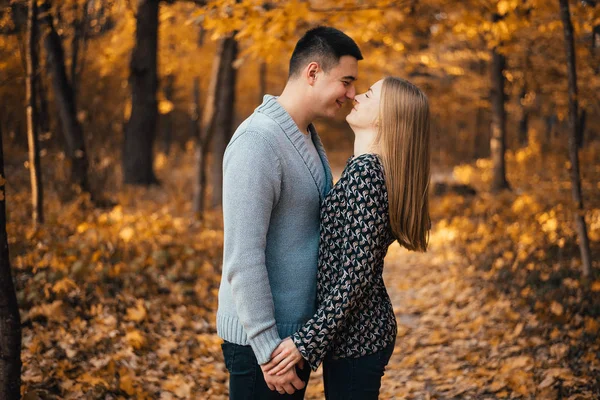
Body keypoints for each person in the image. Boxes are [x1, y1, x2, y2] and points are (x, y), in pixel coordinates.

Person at [262, 76, 432, 399]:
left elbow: (356, 276)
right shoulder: (366, 168)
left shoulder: (367, 174)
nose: (357, 96)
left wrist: (305, 342)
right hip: (353, 337)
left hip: (359, 339)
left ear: (387, 116)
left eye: (369, 95)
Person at [217, 26, 363, 399]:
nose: (351, 94)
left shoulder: (306, 136)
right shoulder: (258, 141)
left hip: (292, 341)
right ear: (312, 72)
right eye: (345, 81)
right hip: (263, 348)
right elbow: (242, 255)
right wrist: (267, 350)